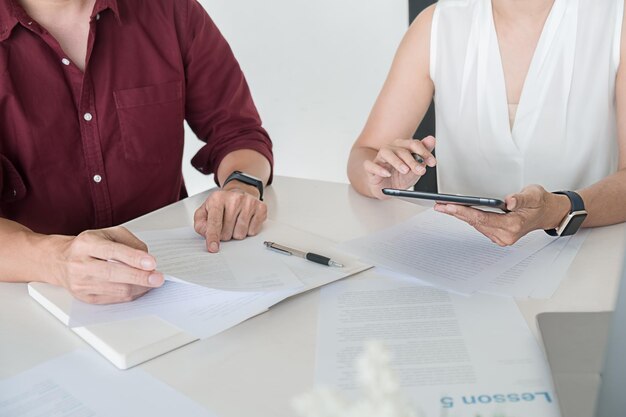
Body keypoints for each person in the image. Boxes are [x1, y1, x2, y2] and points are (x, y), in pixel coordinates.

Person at [0, 0, 273, 304]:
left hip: (172, 284)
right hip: (30, 301)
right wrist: (57, 260)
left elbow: (238, 131)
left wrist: (242, 186)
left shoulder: (170, 10)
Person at [348, 0, 626, 247]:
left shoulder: (616, 19)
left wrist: (559, 209)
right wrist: (380, 177)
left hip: (584, 255)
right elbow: (365, 153)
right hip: (462, 257)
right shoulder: (437, 24)